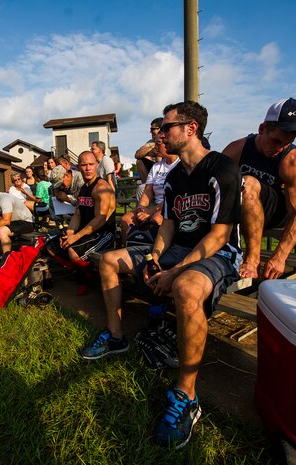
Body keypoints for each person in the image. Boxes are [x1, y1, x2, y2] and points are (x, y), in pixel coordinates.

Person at [81, 101, 242, 449]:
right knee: (109, 261)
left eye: (167, 127)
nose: (160, 134)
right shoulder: (173, 177)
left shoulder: (222, 169)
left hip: (216, 252)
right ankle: (116, 337)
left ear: (190, 129)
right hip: (175, 249)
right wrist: (155, 256)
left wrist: (174, 271)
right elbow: (168, 225)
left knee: (185, 287)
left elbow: (219, 235)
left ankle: (186, 394)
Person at [222, 97, 296, 280]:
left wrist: (280, 257)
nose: (280, 148)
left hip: (275, 211)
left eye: (287, 142)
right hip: (240, 207)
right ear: (262, 129)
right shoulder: (238, 148)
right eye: (276, 141)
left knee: (248, 183)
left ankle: (252, 260)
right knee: (238, 185)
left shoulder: (292, 160)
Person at [46, 151, 116, 296]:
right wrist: (69, 234)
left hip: (104, 233)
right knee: (52, 247)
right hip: (86, 232)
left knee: (73, 252)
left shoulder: (102, 187)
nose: (88, 168)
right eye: (84, 165)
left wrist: (75, 237)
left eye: (91, 164)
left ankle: (86, 278)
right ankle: (82, 270)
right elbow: (77, 214)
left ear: (97, 165)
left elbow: (100, 219)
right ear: (78, 167)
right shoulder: (83, 189)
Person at [118, 139, 179, 246]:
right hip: (155, 206)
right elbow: (148, 190)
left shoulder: (180, 165)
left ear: (167, 144)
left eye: (158, 144)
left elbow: (172, 198)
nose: (155, 147)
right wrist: (141, 208)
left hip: (171, 207)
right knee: (125, 219)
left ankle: (154, 256)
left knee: (155, 220)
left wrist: (150, 211)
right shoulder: (156, 167)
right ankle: (127, 251)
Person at [0, 186, 35, 257]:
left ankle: (6, 258)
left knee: (2, 230)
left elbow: (6, 221)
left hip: (26, 222)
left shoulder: (4, 199)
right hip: (13, 223)